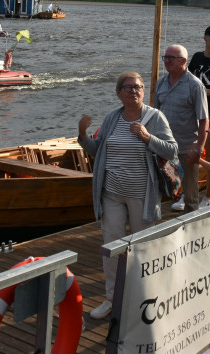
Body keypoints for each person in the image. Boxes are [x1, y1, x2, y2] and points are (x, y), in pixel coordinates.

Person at [77, 72, 177, 320]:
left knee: (143, 248)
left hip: (142, 196)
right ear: (118, 92)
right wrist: (82, 134)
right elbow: (97, 150)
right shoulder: (112, 118)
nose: (134, 91)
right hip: (111, 194)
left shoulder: (155, 117)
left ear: (144, 91)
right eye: (129, 87)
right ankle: (112, 298)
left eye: (139, 87)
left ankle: (145, 298)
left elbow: (172, 150)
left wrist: (147, 137)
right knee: (112, 246)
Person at [154, 45, 209, 213]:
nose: (167, 61)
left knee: (191, 194)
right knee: (158, 187)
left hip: (186, 147)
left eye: (172, 58)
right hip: (163, 146)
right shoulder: (161, 82)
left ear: (184, 61)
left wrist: (199, 148)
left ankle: (192, 229)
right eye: (165, 57)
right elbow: (155, 114)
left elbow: (204, 119)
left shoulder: (195, 85)